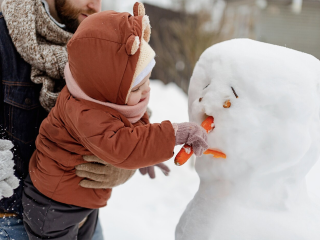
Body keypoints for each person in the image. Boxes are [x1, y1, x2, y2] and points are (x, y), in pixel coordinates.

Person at [21, 3, 209, 239]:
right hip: (53, 207)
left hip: (79, 202)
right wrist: (174, 134)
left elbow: (132, 134)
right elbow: (123, 145)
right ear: (107, 87)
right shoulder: (86, 112)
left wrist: (146, 155)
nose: (146, 91)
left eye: (147, 80)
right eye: (138, 86)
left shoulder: (102, 93)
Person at [0, 0, 121, 239]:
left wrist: (123, 164)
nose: (94, 5)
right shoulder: (4, 38)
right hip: (13, 224)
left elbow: (128, 117)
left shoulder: (102, 48)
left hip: (85, 220)